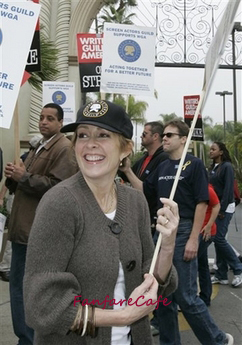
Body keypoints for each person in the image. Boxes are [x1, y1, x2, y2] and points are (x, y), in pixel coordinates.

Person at [23, 100, 179, 345]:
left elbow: (153, 282)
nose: (90, 144)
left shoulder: (135, 201)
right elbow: (42, 304)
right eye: (82, 135)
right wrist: (123, 316)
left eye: (103, 135)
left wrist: (168, 243)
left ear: (125, 148)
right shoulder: (59, 202)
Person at [120, 120, 234, 345]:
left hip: (183, 230)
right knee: (161, 294)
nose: (164, 138)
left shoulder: (194, 164)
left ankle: (218, 340)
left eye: (170, 135)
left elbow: (202, 202)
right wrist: (126, 171)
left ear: (183, 139)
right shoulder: (162, 166)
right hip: (161, 230)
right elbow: (145, 190)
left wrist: (193, 239)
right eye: (164, 135)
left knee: (186, 297)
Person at [4, 103, 78, 345]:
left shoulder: (63, 148)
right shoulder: (38, 146)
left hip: (35, 230)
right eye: (41, 117)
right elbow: (26, 182)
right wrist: (14, 176)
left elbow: (58, 186)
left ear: (60, 123)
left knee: (23, 289)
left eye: (50, 118)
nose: (43, 122)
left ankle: (27, 339)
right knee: (21, 288)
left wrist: (23, 177)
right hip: (22, 228)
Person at [0, 135, 41, 282]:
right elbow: (8, 180)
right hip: (17, 200)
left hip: (24, 202)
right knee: (14, 234)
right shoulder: (25, 159)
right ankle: (6, 267)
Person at [120, 121, 168, 232]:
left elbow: (147, 190)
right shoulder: (144, 158)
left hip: (154, 219)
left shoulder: (164, 159)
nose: (141, 136)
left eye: (145, 134)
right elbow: (127, 176)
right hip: (140, 214)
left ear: (155, 136)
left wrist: (127, 171)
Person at [209, 141, 242, 287]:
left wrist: (222, 210)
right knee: (217, 240)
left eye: (213, 149)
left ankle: (238, 269)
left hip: (224, 208)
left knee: (219, 239)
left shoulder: (227, 167)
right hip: (215, 208)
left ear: (221, 152)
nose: (210, 151)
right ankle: (221, 275)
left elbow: (228, 190)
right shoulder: (213, 167)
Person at [197, 183, 220, 306]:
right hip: (199, 232)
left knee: (192, 265)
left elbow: (217, 205)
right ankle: (205, 297)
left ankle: (192, 298)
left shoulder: (206, 189)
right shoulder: (195, 187)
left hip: (205, 233)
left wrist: (209, 226)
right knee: (202, 265)